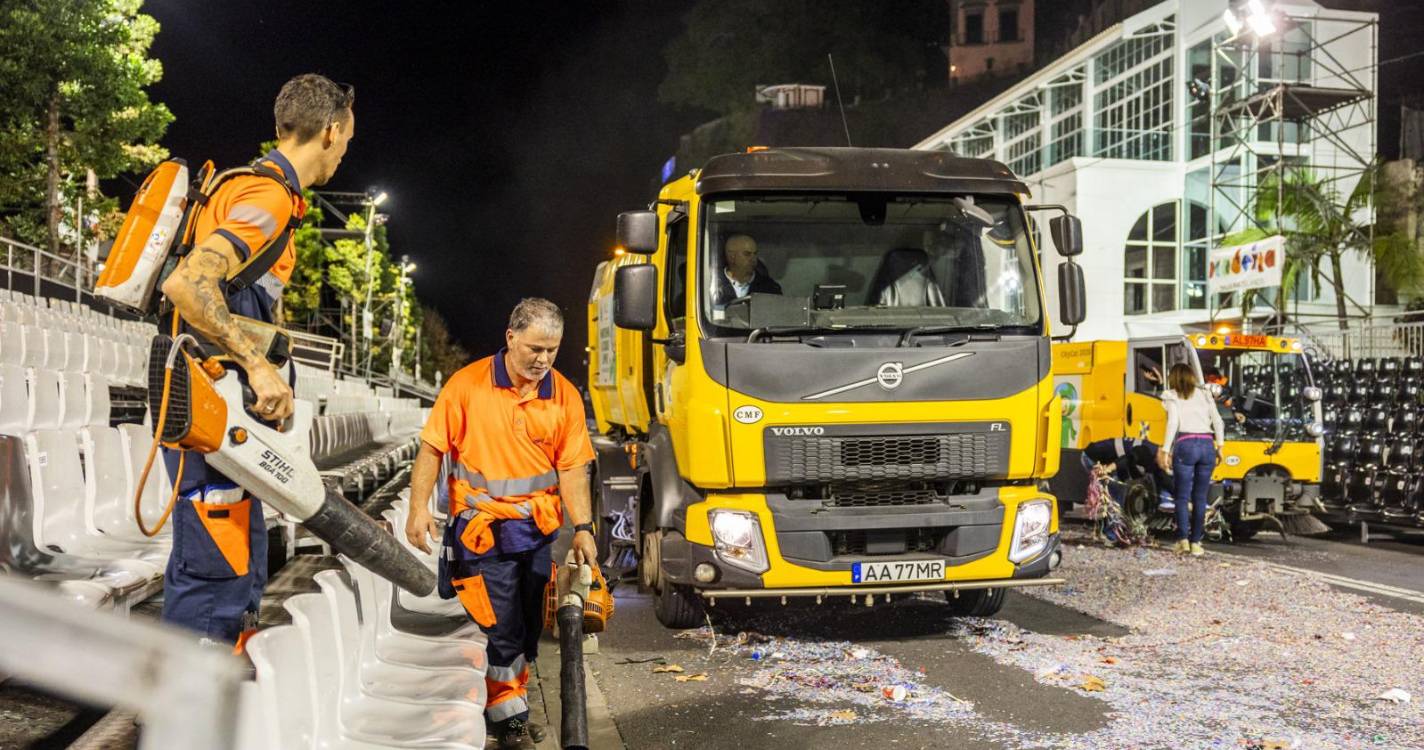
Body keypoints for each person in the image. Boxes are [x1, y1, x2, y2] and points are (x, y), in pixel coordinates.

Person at [157, 74, 355, 645]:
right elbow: (188, 285)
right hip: (209, 412)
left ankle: (211, 706)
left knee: (232, 562)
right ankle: (186, 719)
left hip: (220, 415)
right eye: (346, 141)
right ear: (331, 131)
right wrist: (260, 366)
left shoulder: (256, 190)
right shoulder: (267, 196)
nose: (343, 153)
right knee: (215, 568)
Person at [405, 298, 597, 750]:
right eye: (534, 348)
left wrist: (584, 526)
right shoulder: (467, 385)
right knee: (501, 628)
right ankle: (510, 727)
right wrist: (418, 508)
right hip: (481, 533)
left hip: (535, 533)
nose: (543, 360)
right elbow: (432, 450)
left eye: (552, 350)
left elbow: (571, 469)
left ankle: (510, 708)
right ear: (510, 338)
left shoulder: (562, 394)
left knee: (528, 625)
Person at [1157, 363, 1225, 556]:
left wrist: (1165, 449)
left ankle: (1182, 541)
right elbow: (1218, 421)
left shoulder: (1171, 395)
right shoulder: (1205, 394)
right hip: (1206, 445)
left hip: (1186, 444)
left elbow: (1173, 423)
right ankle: (1196, 543)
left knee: (1181, 496)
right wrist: (1220, 446)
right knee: (1200, 497)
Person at [711, 233, 781, 308]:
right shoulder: (712, 285)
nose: (753, 259)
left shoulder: (770, 288)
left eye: (755, 254)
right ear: (732, 257)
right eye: (747, 254)